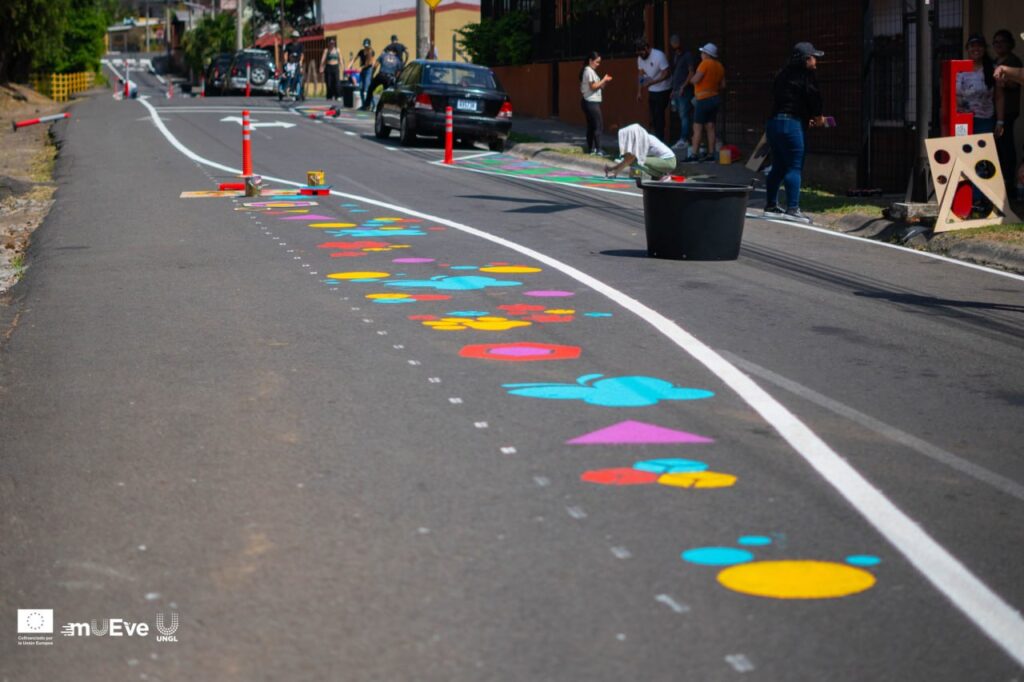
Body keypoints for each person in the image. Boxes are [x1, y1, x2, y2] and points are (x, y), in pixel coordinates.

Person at [763, 42, 826, 223]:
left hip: (774, 123)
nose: (816, 62)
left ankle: (771, 205)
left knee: (778, 166)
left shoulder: (782, 74)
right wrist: (818, 117)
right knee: (794, 167)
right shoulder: (806, 76)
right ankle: (793, 208)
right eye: (814, 58)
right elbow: (814, 98)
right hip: (791, 125)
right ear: (806, 59)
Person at [685, 43, 725, 162]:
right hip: (715, 98)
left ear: (707, 54)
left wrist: (691, 80)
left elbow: (696, 79)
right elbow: (723, 85)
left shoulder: (705, 63)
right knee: (710, 126)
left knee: (697, 127)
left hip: (703, 99)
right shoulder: (720, 66)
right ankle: (711, 155)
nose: (701, 55)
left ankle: (693, 155)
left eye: (703, 52)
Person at [993, 30, 1021, 195]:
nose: (998, 45)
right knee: (997, 147)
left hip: (1007, 112)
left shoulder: (1013, 61)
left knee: (1006, 147)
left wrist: (1005, 82)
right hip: (994, 111)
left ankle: (1009, 183)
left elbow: (1016, 84)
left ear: (1010, 44)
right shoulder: (995, 61)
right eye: (995, 42)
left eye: (1002, 42)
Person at [603, 123, 678, 180]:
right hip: (665, 161)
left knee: (636, 161)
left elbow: (629, 160)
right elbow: (627, 159)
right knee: (635, 161)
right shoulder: (642, 139)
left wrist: (615, 172)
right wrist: (612, 168)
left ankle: (662, 176)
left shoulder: (643, 140)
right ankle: (661, 175)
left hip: (669, 161)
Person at [635, 38, 672, 142]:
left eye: (642, 52)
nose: (641, 55)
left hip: (664, 88)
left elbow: (666, 73)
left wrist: (652, 82)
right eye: (638, 53)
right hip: (652, 90)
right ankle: (657, 138)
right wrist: (639, 91)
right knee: (654, 116)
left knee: (659, 114)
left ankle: (661, 139)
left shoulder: (658, 56)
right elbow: (641, 74)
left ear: (647, 48)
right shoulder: (640, 58)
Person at [580, 51, 613, 156]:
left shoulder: (590, 71)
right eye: (597, 62)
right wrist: (603, 79)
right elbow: (593, 87)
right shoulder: (589, 71)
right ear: (590, 61)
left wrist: (604, 82)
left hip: (588, 101)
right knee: (598, 125)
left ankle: (591, 149)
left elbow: (598, 86)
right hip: (591, 102)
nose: (598, 64)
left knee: (591, 126)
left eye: (599, 62)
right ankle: (598, 149)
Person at [668, 35, 696, 151]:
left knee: (684, 115)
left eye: (676, 44)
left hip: (684, 90)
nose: (674, 47)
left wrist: (684, 86)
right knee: (682, 115)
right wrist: (673, 90)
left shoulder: (687, 55)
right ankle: (685, 138)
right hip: (677, 90)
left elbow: (691, 72)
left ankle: (684, 139)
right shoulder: (677, 56)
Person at [367, 45, 403, 111]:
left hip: (381, 75)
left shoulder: (383, 55)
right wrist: (395, 80)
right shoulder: (398, 60)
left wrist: (372, 75)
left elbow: (375, 66)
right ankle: (384, 107)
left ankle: (367, 105)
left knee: (371, 88)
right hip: (390, 78)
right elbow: (398, 73)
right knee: (387, 94)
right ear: (395, 52)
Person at [353, 38, 375, 110]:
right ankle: (364, 105)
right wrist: (349, 66)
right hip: (362, 70)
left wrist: (361, 68)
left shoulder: (371, 52)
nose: (366, 47)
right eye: (365, 45)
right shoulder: (361, 52)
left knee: (367, 88)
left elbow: (370, 63)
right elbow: (354, 59)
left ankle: (373, 104)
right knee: (361, 88)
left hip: (368, 70)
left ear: (369, 45)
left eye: (367, 46)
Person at [283, 31, 304, 98]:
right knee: (288, 76)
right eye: (293, 37)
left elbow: (302, 55)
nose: (295, 38)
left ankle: (298, 91)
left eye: (296, 37)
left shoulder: (300, 46)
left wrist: (300, 62)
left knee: (298, 77)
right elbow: (285, 53)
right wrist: (286, 61)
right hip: (290, 63)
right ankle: (287, 88)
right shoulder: (288, 45)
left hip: (297, 63)